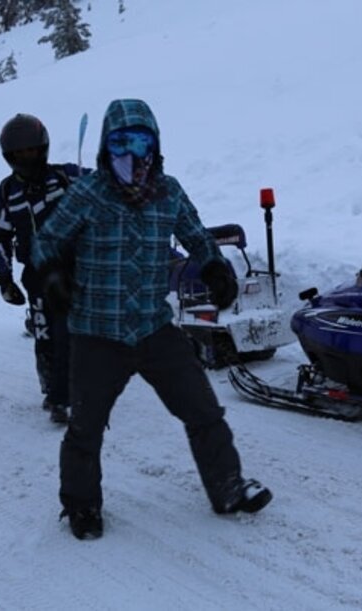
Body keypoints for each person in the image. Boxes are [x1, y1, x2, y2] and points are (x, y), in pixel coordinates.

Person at [31, 98, 272, 540]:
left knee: (203, 409)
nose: (132, 153)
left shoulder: (169, 192)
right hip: (96, 331)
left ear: (156, 146)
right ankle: (82, 505)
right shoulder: (86, 193)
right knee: (85, 427)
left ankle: (229, 487)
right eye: (121, 142)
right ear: (106, 147)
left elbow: (198, 238)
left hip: (152, 326)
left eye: (141, 141)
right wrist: (51, 275)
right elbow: (45, 242)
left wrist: (215, 267)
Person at [0, 113, 86, 424]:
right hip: (38, 273)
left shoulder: (67, 176)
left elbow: (106, 187)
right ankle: (57, 395)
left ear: (43, 148)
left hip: (78, 264)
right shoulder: (6, 193)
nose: (26, 157)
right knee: (48, 334)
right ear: (9, 157)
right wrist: (4, 279)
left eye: (31, 150)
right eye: (19, 153)